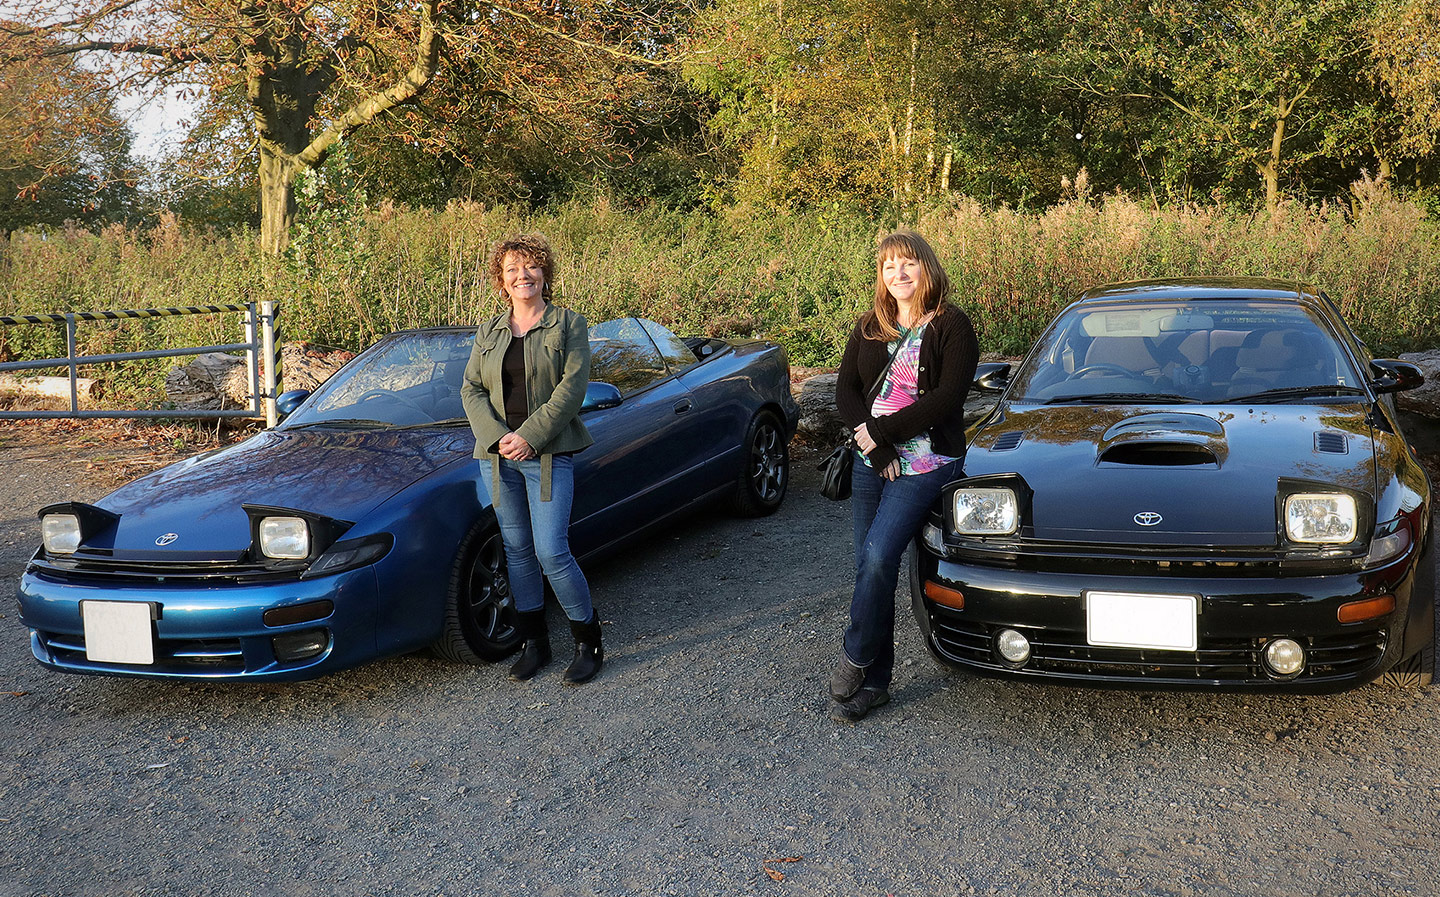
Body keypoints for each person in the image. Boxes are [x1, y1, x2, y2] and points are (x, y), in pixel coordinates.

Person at [829, 230, 979, 722]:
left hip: (928, 461)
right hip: (876, 458)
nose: (899, 274)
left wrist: (881, 433)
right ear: (882, 275)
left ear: (927, 268)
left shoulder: (953, 326)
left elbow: (946, 399)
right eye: (890, 266)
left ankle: (855, 655)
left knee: (877, 555)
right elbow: (847, 392)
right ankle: (876, 684)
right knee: (870, 566)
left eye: (908, 264)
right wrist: (876, 446)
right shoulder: (871, 325)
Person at [461, 233, 602, 684]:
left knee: (551, 551)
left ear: (545, 274)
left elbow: (572, 390)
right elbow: (471, 389)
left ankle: (588, 641)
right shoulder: (489, 331)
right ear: (501, 281)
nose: (522, 276)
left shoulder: (569, 325)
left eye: (531, 267)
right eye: (512, 270)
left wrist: (530, 437)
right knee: (518, 552)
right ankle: (534, 643)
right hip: (498, 457)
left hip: (546, 455)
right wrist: (500, 437)